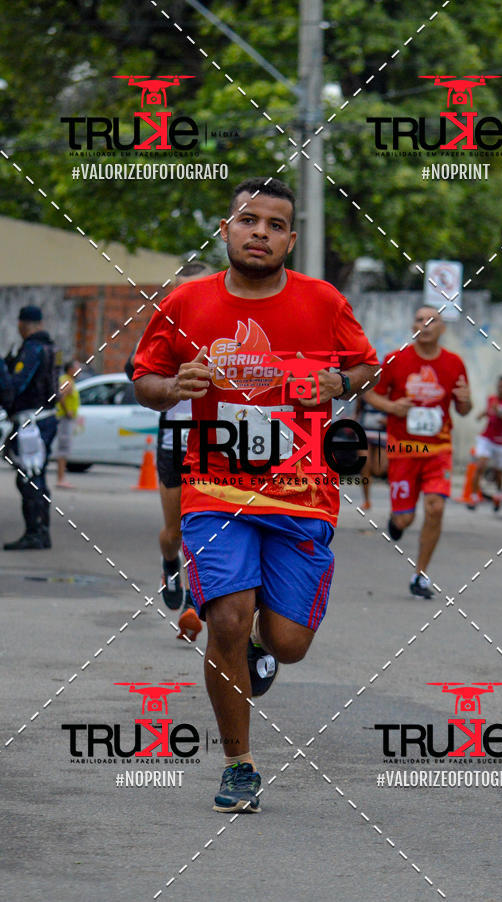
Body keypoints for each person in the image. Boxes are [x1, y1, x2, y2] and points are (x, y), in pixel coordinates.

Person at [133, 177, 379, 813]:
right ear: (226, 230)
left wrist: (337, 382)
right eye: (248, 221)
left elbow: (365, 365)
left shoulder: (322, 300)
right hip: (215, 487)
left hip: (302, 493)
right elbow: (144, 379)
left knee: (288, 644)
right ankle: (238, 765)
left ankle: (262, 645)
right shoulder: (186, 301)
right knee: (227, 620)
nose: (260, 233)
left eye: (274, 225)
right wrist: (173, 387)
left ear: (291, 240)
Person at [363, 306, 472, 599]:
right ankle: (396, 521)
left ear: (442, 328)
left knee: (436, 508)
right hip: (404, 450)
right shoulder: (395, 359)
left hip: (439, 449)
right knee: (405, 520)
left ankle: (420, 575)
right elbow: (369, 392)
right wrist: (391, 407)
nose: (425, 324)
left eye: (432, 320)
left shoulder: (454, 363)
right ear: (413, 326)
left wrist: (465, 401)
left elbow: (464, 408)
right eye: (419, 319)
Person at [124, 258, 207, 641]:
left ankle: (193, 601)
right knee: (174, 532)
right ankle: (169, 564)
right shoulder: (165, 327)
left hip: (215, 440)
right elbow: (136, 370)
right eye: (183, 290)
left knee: (202, 527)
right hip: (174, 439)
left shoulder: (226, 325)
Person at [3, 306, 58, 550]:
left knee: (29, 477)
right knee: (36, 475)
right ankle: (40, 532)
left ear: (22, 324)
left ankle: (36, 533)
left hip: (32, 423)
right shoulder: (51, 348)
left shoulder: (33, 350)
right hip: (43, 419)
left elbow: (16, 385)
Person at [470, 375, 502, 511]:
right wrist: (482, 415)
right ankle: (473, 498)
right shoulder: (492, 399)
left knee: (498, 473)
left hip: (500, 442)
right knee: (480, 466)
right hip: (487, 438)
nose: (500, 389)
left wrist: (500, 415)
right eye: (499, 386)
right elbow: (488, 411)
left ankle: (498, 495)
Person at [355, 396, 387, 509]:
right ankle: (366, 500)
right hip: (365, 431)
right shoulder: (365, 390)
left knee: (379, 470)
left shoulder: (388, 390)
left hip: (382, 433)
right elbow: (358, 409)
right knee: (365, 465)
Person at [55, 360, 81, 489]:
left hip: (65, 418)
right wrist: (67, 411)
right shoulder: (67, 381)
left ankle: (61, 478)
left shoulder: (67, 380)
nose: (79, 371)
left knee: (64, 448)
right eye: (77, 368)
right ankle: (61, 479)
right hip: (65, 418)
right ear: (70, 370)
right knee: (64, 448)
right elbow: (61, 396)